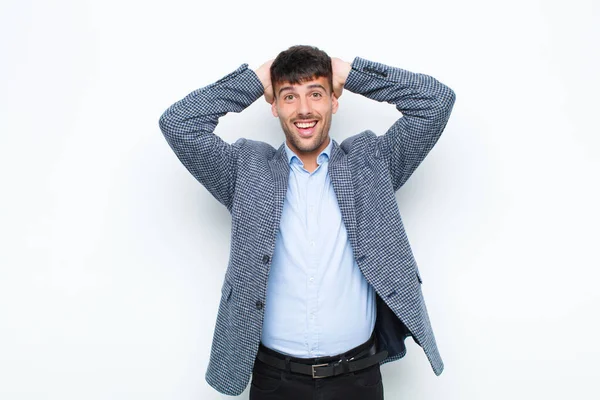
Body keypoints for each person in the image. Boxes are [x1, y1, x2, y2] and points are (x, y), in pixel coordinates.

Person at [158, 45, 455, 399]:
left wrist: (349, 73)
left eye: (316, 94)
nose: (303, 109)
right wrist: (255, 79)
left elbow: (436, 101)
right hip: (275, 381)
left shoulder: (372, 163)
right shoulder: (245, 169)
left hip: (357, 379)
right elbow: (178, 123)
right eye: (289, 96)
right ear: (274, 106)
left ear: (334, 100)